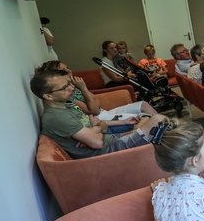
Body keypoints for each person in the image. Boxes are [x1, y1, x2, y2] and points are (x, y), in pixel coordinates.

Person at [30, 67, 168, 159]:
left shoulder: (66, 105)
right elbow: (97, 143)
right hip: (110, 151)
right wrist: (97, 128)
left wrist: (96, 128)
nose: (71, 88)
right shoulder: (56, 117)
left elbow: (91, 118)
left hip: (111, 139)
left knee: (148, 120)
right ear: (48, 96)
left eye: (69, 84)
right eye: (64, 87)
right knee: (158, 120)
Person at [38, 60, 158, 122]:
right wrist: (84, 88)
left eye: (67, 67)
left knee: (143, 104)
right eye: (64, 70)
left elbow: (96, 101)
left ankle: (166, 128)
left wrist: (89, 98)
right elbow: (93, 110)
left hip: (104, 112)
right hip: (101, 119)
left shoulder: (73, 85)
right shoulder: (66, 94)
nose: (70, 71)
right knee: (143, 117)